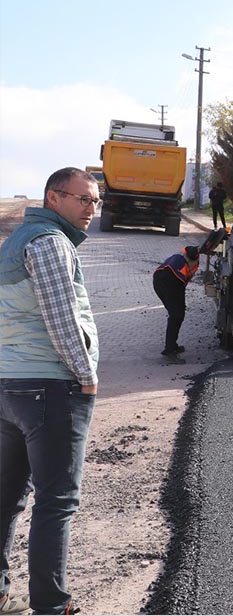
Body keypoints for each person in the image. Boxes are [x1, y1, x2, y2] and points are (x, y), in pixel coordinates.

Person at [0, 167, 101, 616]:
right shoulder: (50, 242)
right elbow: (62, 318)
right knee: (56, 500)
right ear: (54, 197)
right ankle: (51, 605)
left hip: (9, 388)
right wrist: (86, 376)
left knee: (6, 497)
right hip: (49, 386)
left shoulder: (14, 244)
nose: (91, 210)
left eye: (96, 202)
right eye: (83, 199)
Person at [153, 246, 201, 364]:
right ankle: (169, 350)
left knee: (177, 314)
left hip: (163, 280)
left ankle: (172, 346)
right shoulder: (188, 256)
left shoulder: (182, 255)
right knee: (176, 315)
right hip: (170, 281)